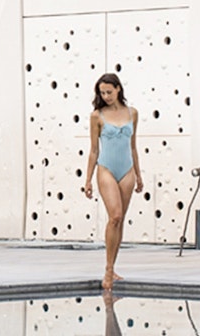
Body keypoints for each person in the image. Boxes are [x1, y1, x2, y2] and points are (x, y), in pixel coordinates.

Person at [82, 71, 143, 289]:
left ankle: (113, 266)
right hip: (106, 169)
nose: (106, 96)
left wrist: (139, 175)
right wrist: (87, 180)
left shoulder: (132, 113)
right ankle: (107, 270)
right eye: (102, 93)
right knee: (114, 216)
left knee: (120, 220)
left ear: (118, 89)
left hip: (127, 170)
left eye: (109, 91)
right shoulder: (96, 116)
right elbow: (93, 150)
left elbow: (133, 147)